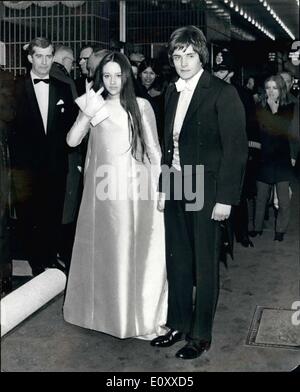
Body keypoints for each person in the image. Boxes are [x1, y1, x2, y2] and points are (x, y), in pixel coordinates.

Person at [150, 26, 247, 359]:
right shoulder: (171, 92)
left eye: (189, 55)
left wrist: (225, 199)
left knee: (205, 263)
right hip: (177, 181)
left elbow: (235, 150)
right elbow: (168, 145)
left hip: (206, 187)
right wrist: (165, 187)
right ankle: (178, 323)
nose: (183, 62)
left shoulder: (221, 92)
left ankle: (200, 333)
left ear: (201, 56)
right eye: (177, 56)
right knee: (177, 258)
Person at [63, 51, 167, 339]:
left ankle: (134, 316)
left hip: (135, 193)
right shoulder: (95, 105)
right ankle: (102, 314)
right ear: (99, 77)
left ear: (127, 77)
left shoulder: (141, 106)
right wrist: (87, 110)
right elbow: (72, 140)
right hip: (100, 194)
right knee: (102, 252)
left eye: (117, 75)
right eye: (106, 75)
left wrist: (163, 189)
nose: (112, 81)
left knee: (131, 252)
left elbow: (154, 151)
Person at [10, 37, 77, 276]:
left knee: (53, 215)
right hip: (26, 168)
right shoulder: (15, 88)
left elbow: (71, 127)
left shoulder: (62, 88)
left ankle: (49, 260)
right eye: (39, 56)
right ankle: (37, 263)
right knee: (29, 218)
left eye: (49, 56)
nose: (44, 61)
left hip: (56, 166)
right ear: (30, 58)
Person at [252, 74, 298, 242]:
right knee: (261, 197)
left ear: (281, 90)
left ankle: (280, 231)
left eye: (274, 88)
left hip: (281, 159)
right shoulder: (259, 107)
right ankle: (257, 228)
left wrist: (273, 110)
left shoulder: (289, 107)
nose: (271, 92)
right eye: (268, 88)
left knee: (284, 200)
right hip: (264, 158)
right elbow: (262, 130)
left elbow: (281, 129)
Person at [50, 44, 83, 272]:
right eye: (73, 62)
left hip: (45, 159)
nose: (74, 67)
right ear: (66, 59)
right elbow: (75, 123)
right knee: (66, 208)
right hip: (67, 156)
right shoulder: (65, 82)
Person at [136, 58, 165, 145]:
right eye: (145, 72)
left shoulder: (161, 93)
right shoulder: (134, 90)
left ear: (156, 75)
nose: (148, 77)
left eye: (152, 73)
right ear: (140, 74)